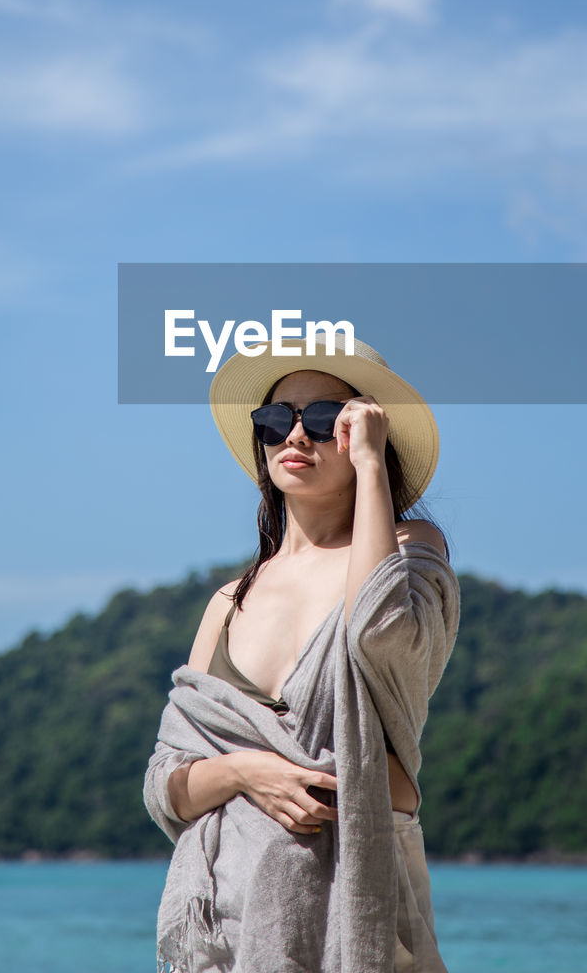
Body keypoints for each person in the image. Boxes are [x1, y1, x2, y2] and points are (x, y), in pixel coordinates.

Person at [143, 331, 461, 973]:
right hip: (229, 920)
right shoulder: (231, 600)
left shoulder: (411, 549)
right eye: (274, 420)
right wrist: (242, 772)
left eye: (325, 420)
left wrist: (371, 465)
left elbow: (379, 629)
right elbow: (165, 788)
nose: (295, 436)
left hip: (364, 898)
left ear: (366, 428)